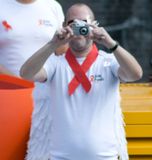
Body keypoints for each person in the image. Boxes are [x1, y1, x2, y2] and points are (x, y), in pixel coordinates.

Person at [20, 3, 143, 160]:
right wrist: (54, 44)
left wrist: (110, 43)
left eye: (83, 22)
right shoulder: (56, 64)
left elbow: (135, 74)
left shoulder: (108, 61)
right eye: (73, 23)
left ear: (93, 25)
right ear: (65, 26)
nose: (78, 27)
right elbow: (26, 74)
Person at [0, 0, 66, 159]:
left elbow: (62, 52)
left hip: (46, 101)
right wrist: (20, 83)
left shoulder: (53, 6)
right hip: (7, 101)